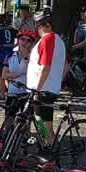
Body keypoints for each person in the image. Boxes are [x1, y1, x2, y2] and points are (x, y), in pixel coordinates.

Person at [26, 13, 68, 142]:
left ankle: (50, 146)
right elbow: (66, 66)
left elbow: (46, 67)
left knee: (44, 124)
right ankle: (48, 145)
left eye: (38, 26)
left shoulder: (48, 39)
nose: (37, 29)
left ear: (46, 25)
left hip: (43, 89)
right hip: (49, 87)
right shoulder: (59, 40)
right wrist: (57, 82)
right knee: (41, 122)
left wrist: (37, 90)